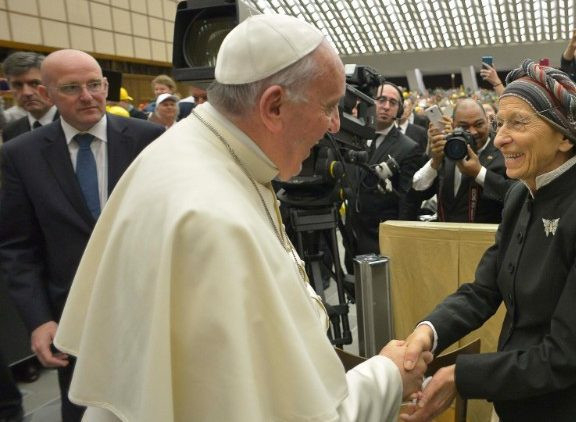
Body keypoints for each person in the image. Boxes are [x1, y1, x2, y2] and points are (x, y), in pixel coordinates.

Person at [53, 15, 431, 421]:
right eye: (328, 107)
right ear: (273, 106)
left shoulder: (188, 149)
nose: (336, 125)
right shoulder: (213, 221)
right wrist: (389, 375)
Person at [401, 60, 576, 422]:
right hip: (517, 398)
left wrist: (460, 376)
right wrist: (427, 332)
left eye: (517, 123)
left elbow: (565, 355)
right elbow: (484, 290)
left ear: (565, 137)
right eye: (500, 124)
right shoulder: (519, 193)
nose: (499, 139)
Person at [0, 49, 164, 422]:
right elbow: (17, 247)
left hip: (149, 309)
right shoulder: (21, 154)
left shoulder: (149, 139)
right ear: (48, 94)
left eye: (94, 85)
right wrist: (39, 319)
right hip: (73, 323)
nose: (87, 96)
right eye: (71, 88)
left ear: (106, 86)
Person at [349, 82, 423, 255]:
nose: (386, 106)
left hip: (383, 240)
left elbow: (407, 202)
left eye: (393, 102)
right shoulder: (354, 138)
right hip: (352, 235)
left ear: (399, 110)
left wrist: (399, 242)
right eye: (381, 100)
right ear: (371, 103)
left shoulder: (408, 148)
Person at [410, 98, 512, 223]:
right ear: (453, 125)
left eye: (478, 124)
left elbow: (514, 195)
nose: (473, 132)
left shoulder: (504, 152)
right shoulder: (447, 149)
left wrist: (479, 173)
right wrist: (435, 162)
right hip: (445, 232)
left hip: (487, 234)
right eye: (464, 127)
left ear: (487, 121)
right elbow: (416, 190)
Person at [1, 51, 58, 143]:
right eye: (17, 85)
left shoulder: (74, 122)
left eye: (35, 83)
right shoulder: (10, 132)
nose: (26, 93)